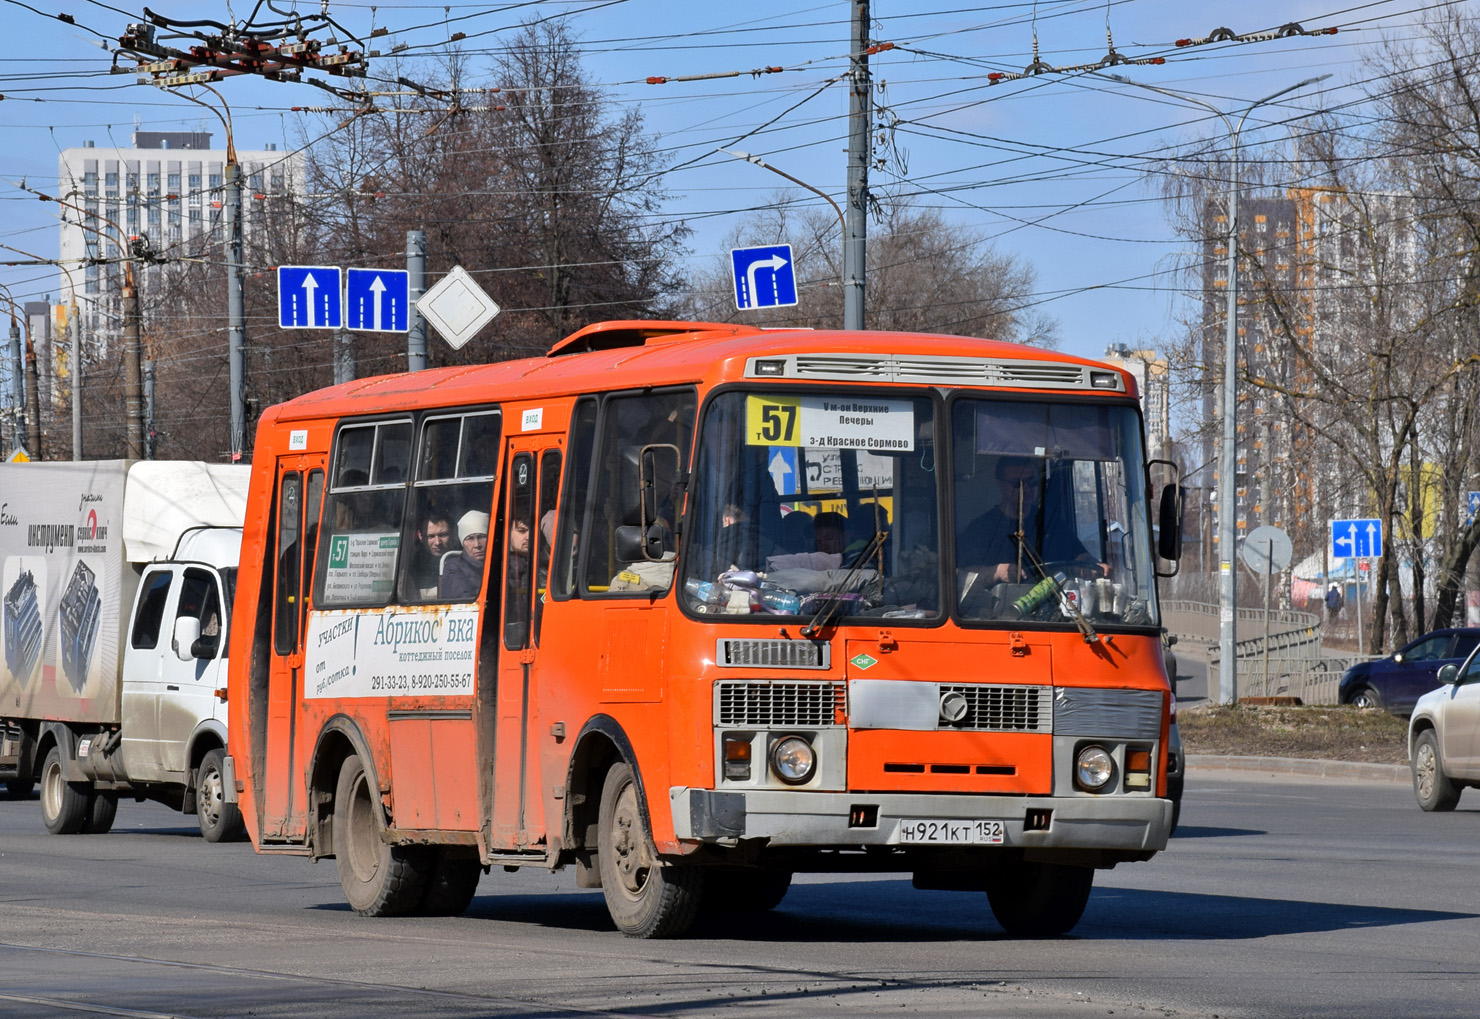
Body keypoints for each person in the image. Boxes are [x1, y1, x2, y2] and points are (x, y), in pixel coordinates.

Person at [958, 456, 1099, 583]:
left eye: (1031, 481)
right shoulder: (981, 528)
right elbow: (962, 574)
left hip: (1051, 606)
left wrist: (1091, 566)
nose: (1025, 489)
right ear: (1000, 484)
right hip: (995, 609)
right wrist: (997, 572)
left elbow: (1078, 557)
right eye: (1017, 483)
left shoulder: (1050, 522)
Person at [441, 510, 489, 600]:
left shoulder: (506, 563)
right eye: (469, 538)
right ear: (463, 543)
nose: (477, 544)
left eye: (482, 536)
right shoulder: (454, 567)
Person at [408, 511, 454, 599]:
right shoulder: (412, 565)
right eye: (431, 536)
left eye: (443, 535)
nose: (437, 542)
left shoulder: (462, 561)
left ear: (452, 534)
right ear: (420, 536)